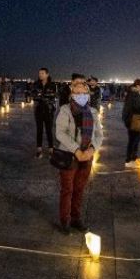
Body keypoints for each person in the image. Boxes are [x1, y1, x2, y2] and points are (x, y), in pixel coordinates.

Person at [54, 76, 103, 235]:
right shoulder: (65, 110)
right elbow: (60, 133)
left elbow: (98, 134)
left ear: (88, 95)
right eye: (77, 93)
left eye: (84, 93)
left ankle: (76, 218)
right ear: (71, 95)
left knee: (80, 189)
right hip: (69, 155)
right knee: (67, 189)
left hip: (87, 156)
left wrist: (91, 150)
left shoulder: (93, 112)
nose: (81, 95)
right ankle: (65, 220)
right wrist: (76, 150)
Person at [32, 67, 58, 158]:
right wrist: (44, 96)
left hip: (49, 110)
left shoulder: (52, 85)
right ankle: (39, 149)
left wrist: (42, 96)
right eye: (39, 73)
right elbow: (34, 96)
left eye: (42, 73)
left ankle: (51, 149)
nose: (40, 75)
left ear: (47, 74)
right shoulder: (36, 84)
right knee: (39, 130)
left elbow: (54, 96)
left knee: (49, 130)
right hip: (38, 110)